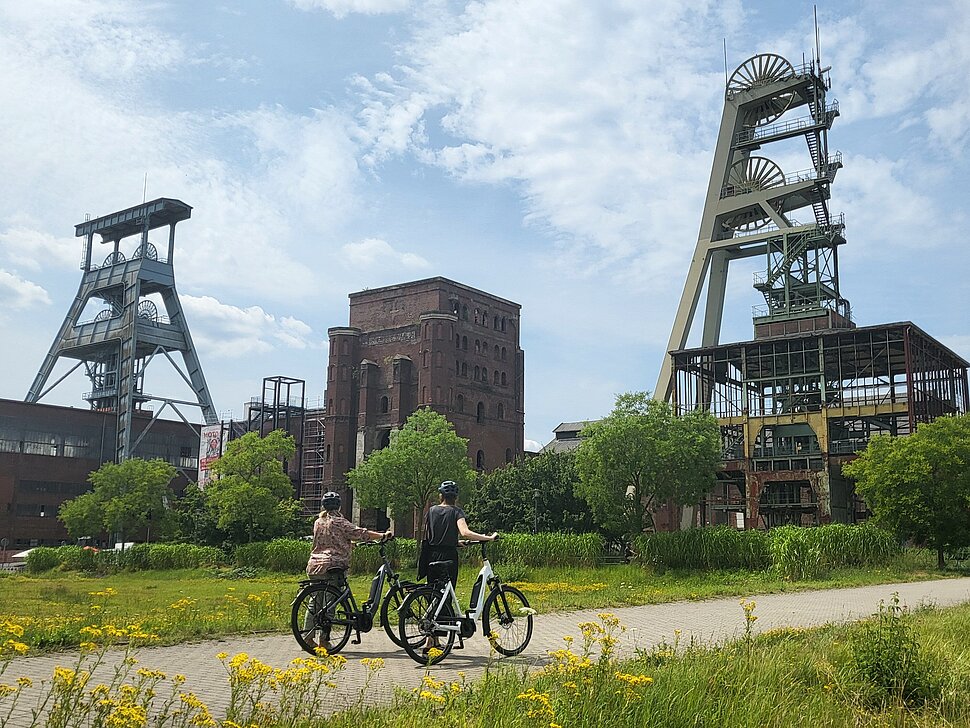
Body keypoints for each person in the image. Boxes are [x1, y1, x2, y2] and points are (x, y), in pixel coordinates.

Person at [304, 490, 391, 652]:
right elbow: (360, 533)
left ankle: (307, 638)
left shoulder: (318, 521)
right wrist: (382, 535)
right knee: (331, 602)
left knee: (314, 602)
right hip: (332, 566)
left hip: (314, 565)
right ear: (339, 505)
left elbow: (327, 540)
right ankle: (324, 640)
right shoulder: (339, 521)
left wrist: (348, 545)